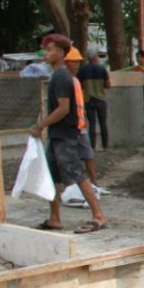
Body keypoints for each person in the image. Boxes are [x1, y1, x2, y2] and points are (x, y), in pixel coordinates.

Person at [29, 34, 107, 234]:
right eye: (45, 49)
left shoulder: (62, 76)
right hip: (58, 135)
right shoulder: (58, 75)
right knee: (52, 177)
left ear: (61, 53)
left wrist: (41, 125)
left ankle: (98, 216)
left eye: (50, 49)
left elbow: (64, 109)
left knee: (78, 175)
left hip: (65, 135)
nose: (46, 53)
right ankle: (55, 218)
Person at [63, 47, 99, 187]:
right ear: (66, 62)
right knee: (70, 158)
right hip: (71, 126)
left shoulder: (76, 81)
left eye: (78, 62)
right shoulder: (65, 80)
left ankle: (93, 182)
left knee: (87, 154)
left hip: (80, 124)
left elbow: (79, 103)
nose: (77, 65)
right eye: (74, 62)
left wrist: (82, 117)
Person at [79, 51, 111, 150]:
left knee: (91, 124)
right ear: (95, 57)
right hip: (100, 99)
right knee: (103, 123)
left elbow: (80, 86)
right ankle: (105, 146)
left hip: (88, 100)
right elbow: (108, 85)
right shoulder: (102, 69)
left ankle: (92, 147)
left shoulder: (83, 70)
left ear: (88, 58)